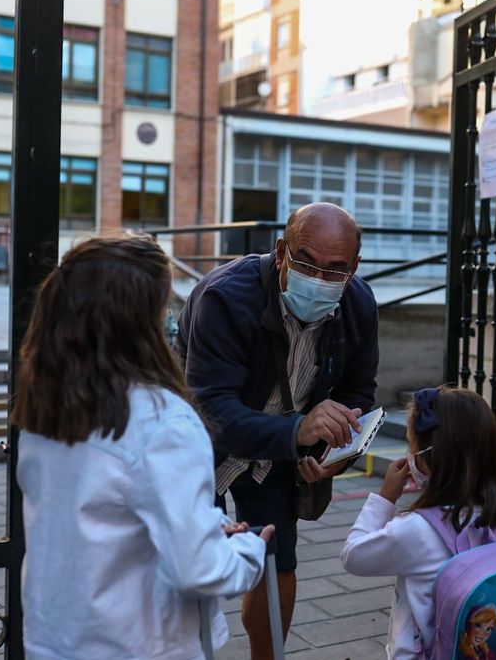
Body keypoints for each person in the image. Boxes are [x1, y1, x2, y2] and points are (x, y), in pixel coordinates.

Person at [12, 234, 272, 660]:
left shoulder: (47, 404)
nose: (170, 321)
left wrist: (200, 528)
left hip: (57, 636)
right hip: (138, 643)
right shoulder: (161, 419)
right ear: (138, 320)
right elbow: (198, 569)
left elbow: (106, 517)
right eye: (164, 307)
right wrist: (248, 550)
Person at [177, 202, 379, 658]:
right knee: (185, 571)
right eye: (307, 262)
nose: (321, 278)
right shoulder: (226, 297)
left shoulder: (359, 303)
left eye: (336, 270)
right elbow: (212, 409)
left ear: (355, 268)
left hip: (278, 452)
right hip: (196, 444)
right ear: (281, 251)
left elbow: (357, 391)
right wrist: (299, 431)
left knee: (276, 563)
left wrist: (330, 452)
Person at [340, 387, 496, 660]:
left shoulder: (417, 530)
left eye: (410, 445)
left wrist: (384, 499)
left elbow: (353, 556)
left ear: (429, 457)